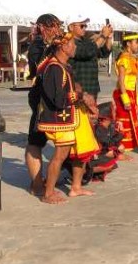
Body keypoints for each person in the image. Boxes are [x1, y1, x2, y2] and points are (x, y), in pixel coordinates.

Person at [36, 31, 100, 203]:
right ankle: (48, 193)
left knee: (82, 152)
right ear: (64, 47)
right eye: (73, 44)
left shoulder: (65, 67)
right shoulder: (54, 69)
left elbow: (74, 88)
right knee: (60, 156)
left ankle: (76, 188)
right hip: (60, 119)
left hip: (72, 116)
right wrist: (80, 97)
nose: (75, 47)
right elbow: (58, 100)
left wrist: (85, 96)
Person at [24, 13, 63, 197]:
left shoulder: (53, 44)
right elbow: (39, 68)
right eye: (51, 26)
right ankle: (37, 183)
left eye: (56, 26)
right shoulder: (37, 45)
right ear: (41, 27)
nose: (55, 30)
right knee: (36, 140)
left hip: (56, 97)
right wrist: (51, 49)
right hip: (40, 98)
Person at [69, 17, 113, 101]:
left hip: (92, 88)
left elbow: (103, 53)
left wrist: (109, 38)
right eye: (82, 26)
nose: (84, 28)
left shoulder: (86, 41)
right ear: (71, 27)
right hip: (79, 89)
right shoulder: (68, 42)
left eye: (85, 26)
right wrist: (103, 36)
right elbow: (86, 53)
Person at [113, 34, 138, 151]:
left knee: (131, 121)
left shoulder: (132, 58)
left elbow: (134, 81)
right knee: (123, 121)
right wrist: (125, 98)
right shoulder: (124, 59)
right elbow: (121, 80)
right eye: (136, 42)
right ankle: (119, 149)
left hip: (131, 92)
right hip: (123, 92)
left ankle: (128, 147)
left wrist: (137, 97)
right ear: (128, 44)